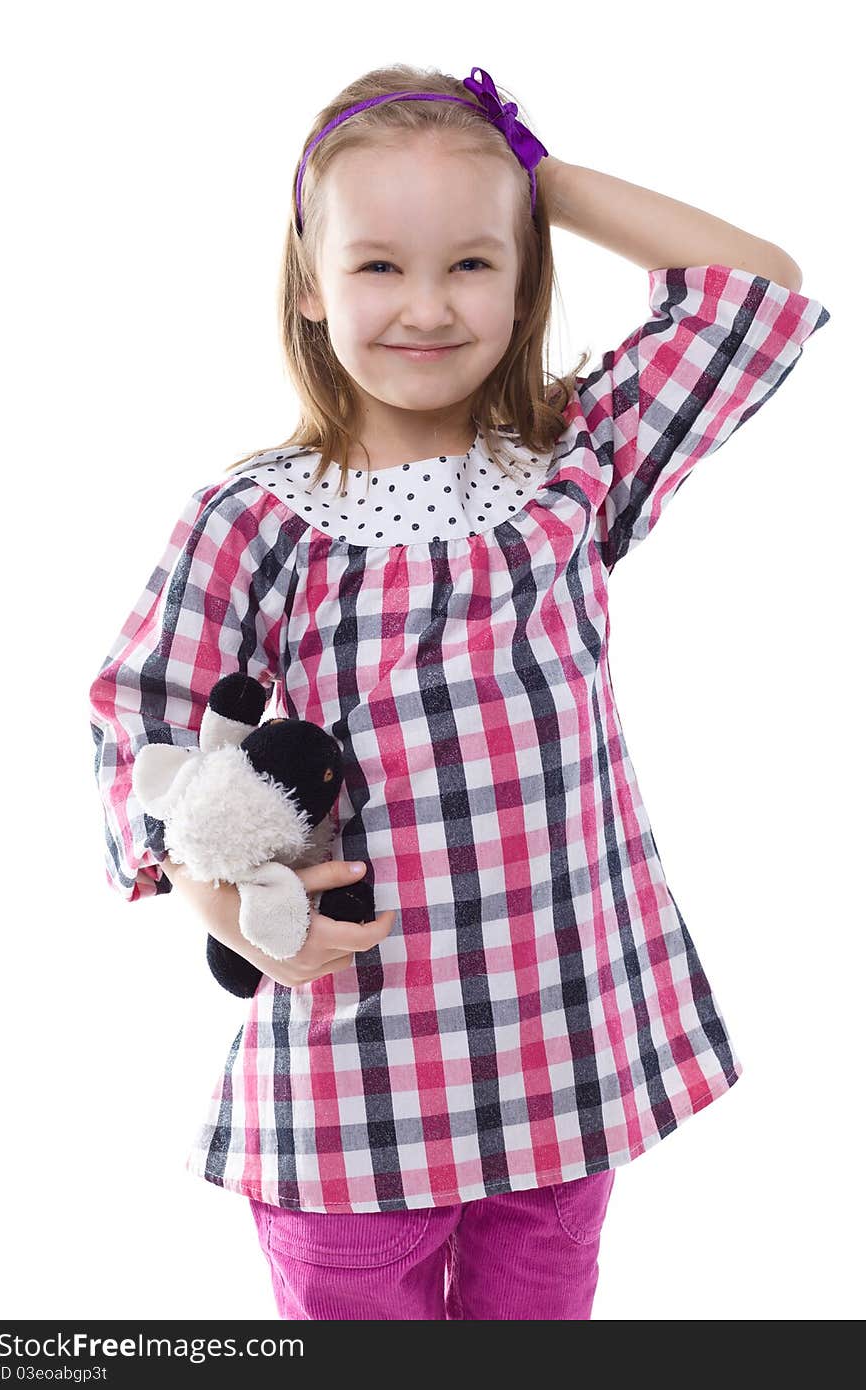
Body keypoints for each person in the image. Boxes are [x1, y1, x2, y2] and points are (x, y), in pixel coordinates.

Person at [87, 62, 830, 1321]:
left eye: (473, 263)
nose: (426, 305)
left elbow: (753, 288)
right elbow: (141, 721)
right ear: (311, 285)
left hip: (560, 1047)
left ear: (526, 276)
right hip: (353, 1067)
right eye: (378, 263)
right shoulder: (255, 519)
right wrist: (215, 898)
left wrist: (532, 176)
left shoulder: (571, 472)